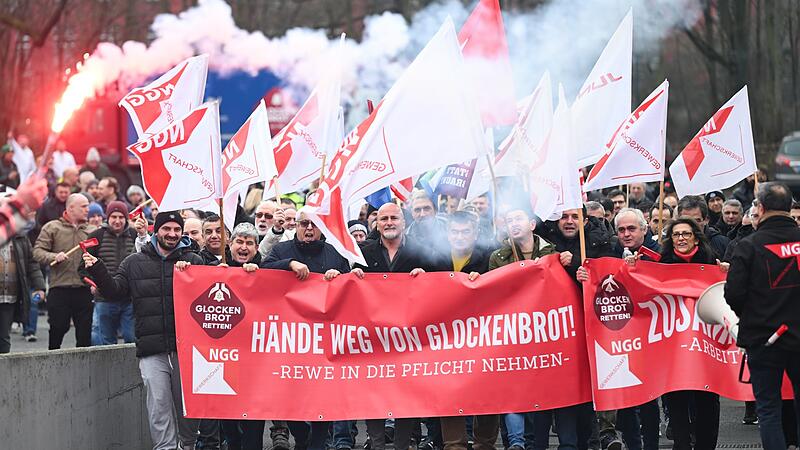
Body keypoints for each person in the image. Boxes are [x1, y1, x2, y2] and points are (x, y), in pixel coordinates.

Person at [83, 211, 204, 449]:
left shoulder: (194, 260)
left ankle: (188, 445)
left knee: (188, 408)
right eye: (166, 229)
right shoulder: (133, 262)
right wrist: (97, 269)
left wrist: (197, 270)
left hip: (187, 351)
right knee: (158, 406)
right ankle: (165, 448)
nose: (172, 234)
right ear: (155, 231)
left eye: (176, 230)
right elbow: (115, 292)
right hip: (152, 349)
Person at [262, 214, 350, 450]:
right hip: (290, 339)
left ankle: (317, 445)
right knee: (288, 397)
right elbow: (264, 270)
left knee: (323, 397)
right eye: (304, 224)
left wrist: (339, 278)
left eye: (314, 225)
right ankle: (302, 435)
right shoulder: (282, 250)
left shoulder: (334, 252)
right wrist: (288, 264)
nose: (309, 229)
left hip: (324, 339)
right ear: (296, 227)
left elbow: (350, 285)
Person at [349, 202, 431, 450]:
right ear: (377, 223)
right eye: (383, 218)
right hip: (373, 338)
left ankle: (403, 445)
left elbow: (444, 281)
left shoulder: (421, 251)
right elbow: (344, 283)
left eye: (394, 218)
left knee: (406, 394)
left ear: (403, 222)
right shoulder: (362, 251)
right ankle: (376, 445)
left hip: (409, 338)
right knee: (374, 393)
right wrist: (353, 275)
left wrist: (426, 277)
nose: (388, 223)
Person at [725, 182, 800, 450]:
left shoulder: (748, 246)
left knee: (768, 409)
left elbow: (732, 294)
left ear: (762, 208)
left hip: (764, 338)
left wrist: (754, 314)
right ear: (790, 207)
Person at [654, 218, 726, 449]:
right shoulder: (661, 264)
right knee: (676, 399)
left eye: (686, 234)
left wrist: (727, 272)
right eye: (676, 235)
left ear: (696, 237)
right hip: (674, 347)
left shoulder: (711, 262)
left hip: (706, 344)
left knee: (707, 399)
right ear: (670, 239)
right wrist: (633, 265)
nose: (681, 238)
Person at [432, 211, 497, 450]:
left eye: (465, 231)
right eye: (455, 232)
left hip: (482, 336)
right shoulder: (434, 260)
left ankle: (485, 444)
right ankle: (454, 445)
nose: (460, 237)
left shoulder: (490, 257)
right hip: (447, 337)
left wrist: (486, 281)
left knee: (486, 389)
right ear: (447, 234)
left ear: (476, 233)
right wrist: (418, 278)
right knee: (450, 389)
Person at [33, 193, 96, 349]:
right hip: (59, 287)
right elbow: (38, 252)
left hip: (84, 288)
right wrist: (54, 256)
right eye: (84, 206)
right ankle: (52, 360)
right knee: (58, 327)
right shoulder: (52, 227)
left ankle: (83, 367)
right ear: (71, 208)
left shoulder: (92, 230)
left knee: (84, 334)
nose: (88, 209)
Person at [82, 201, 137, 345]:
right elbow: (83, 267)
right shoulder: (96, 236)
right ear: (108, 217)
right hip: (104, 298)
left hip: (129, 298)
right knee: (106, 340)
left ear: (126, 218)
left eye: (121, 217)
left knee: (131, 338)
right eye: (114, 217)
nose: (117, 221)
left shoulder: (134, 235)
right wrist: (91, 283)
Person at [0, 232, 45, 353]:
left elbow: (32, 264)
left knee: (3, 338)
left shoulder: (20, 238)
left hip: (9, 297)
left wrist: (39, 287)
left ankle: (4, 370)